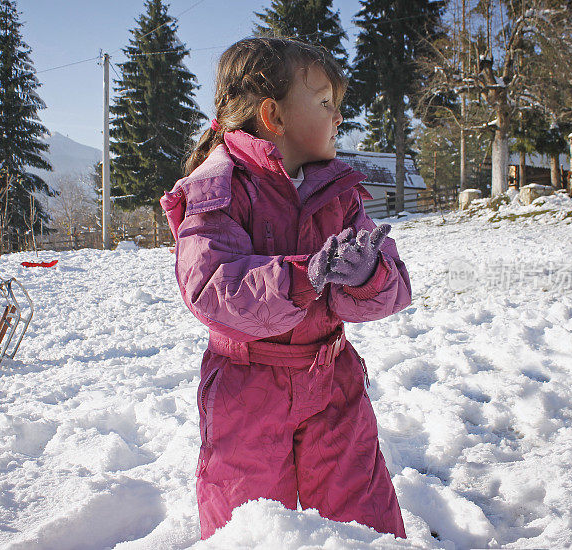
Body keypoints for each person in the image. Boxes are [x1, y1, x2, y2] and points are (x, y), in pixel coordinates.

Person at [160, 37, 413, 539]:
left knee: (362, 514)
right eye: (324, 103)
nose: (338, 116)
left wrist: (367, 277)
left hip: (333, 380)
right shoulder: (219, 187)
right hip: (246, 390)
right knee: (249, 523)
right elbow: (211, 288)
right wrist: (303, 277)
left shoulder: (337, 191)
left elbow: (396, 285)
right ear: (273, 115)